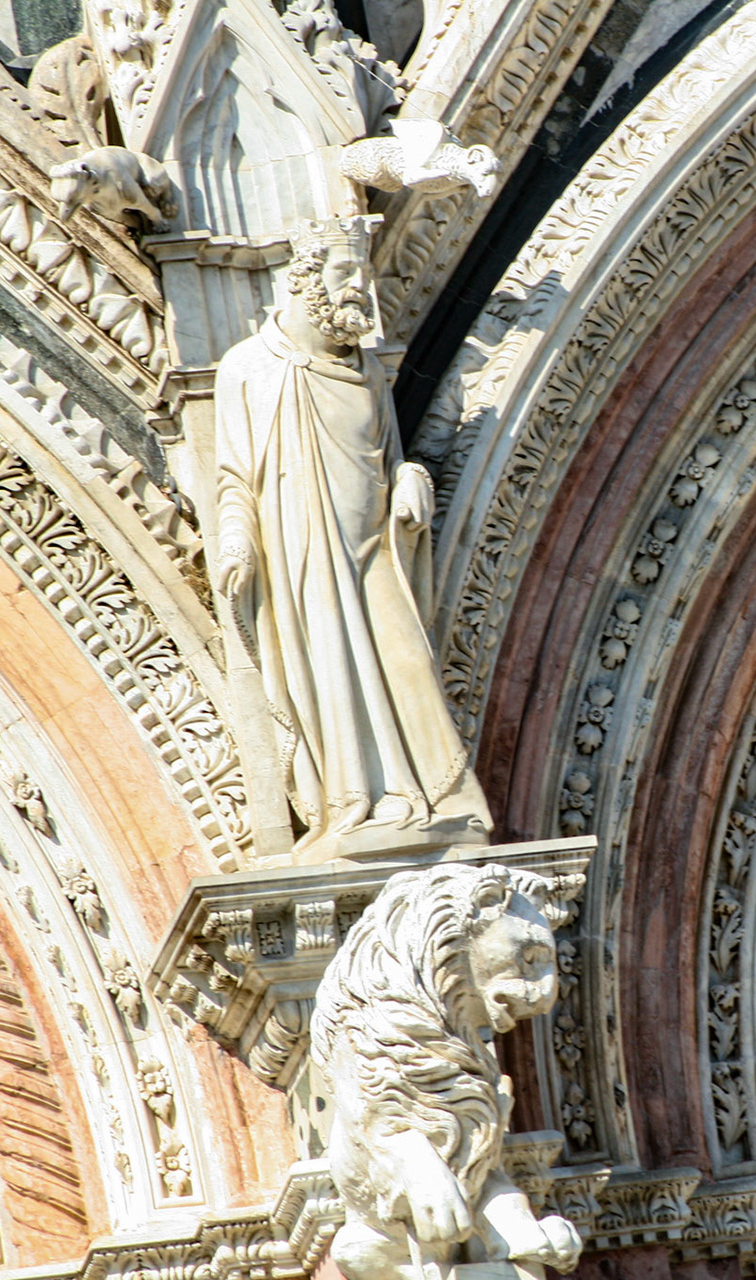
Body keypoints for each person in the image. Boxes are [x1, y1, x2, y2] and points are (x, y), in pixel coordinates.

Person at [212, 216, 491, 854]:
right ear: (305, 280)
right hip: (303, 555)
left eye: (363, 274)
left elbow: (390, 456)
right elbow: (232, 476)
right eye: (345, 274)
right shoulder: (250, 368)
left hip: (374, 551)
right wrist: (234, 540)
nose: (358, 287)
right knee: (332, 672)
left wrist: (411, 479)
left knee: (407, 659)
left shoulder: (365, 369)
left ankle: (436, 796)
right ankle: (357, 801)